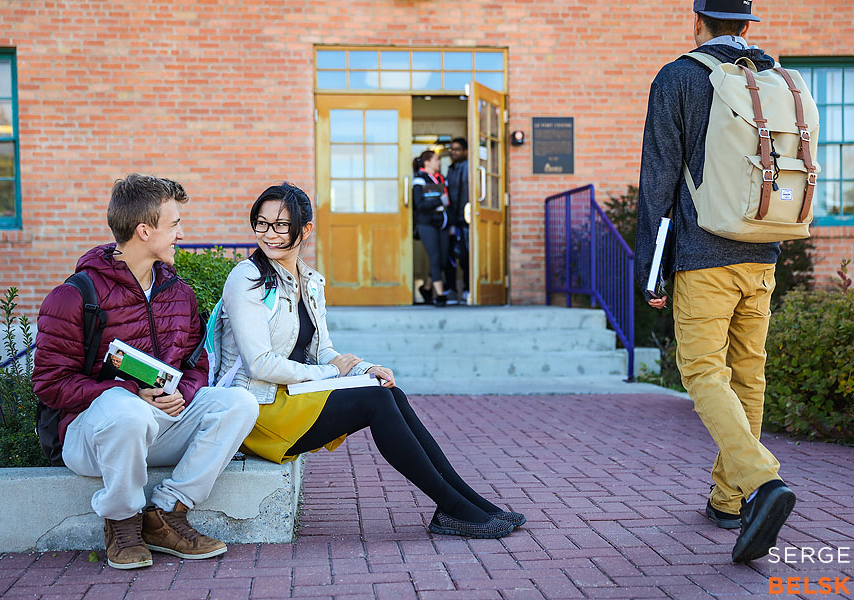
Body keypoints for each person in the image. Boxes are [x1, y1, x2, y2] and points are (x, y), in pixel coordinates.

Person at [218, 182, 524, 538]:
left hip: (291, 398)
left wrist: (365, 368)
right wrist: (329, 373)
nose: (268, 234)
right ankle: (455, 509)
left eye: (281, 225)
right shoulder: (248, 278)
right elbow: (260, 365)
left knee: (388, 390)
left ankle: (469, 503)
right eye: (262, 223)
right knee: (375, 401)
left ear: (305, 229)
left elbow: (324, 349)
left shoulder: (311, 282)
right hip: (258, 410)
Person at [635, 0, 796, 563]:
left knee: (703, 372)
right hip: (765, 250)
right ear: (746, 24)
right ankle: (728, 501)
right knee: (748, 376)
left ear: (696, 19)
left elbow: (657, 181)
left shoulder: (679, 77)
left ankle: (761, 480)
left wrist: (650, 271)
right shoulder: (771, 77)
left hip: (705, 255)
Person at [33, 174, 259, 570]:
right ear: (144, 230)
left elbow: (195, 365)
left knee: (239, 403)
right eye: (173, 225)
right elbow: (50, 385)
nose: (181, 234)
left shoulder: (179, 293)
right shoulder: (74, 297)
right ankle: (121, 522)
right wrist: (126, 390)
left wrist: (181, 394)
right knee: (126, 409)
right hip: (93, 436)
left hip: (157, 425)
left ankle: (167, 513)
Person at [412, 150, 451, 306]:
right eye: (436, 159)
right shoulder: (419, 179)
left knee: (442, 260)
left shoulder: (439, 178)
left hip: (442, 223)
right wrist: (439, 201)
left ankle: (427, 288)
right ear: (427, 162)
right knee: (434, 258)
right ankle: (440, 296)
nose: (439, 162)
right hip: (426, 224)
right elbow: (419, 204)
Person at [444, 138, 470, 304]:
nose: (453, 152)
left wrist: (461, 219)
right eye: (452, 149)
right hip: (450, 220)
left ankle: (468, 289)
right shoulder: (450, 169)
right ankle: (451, 290)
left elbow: (464, 195)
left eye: (457, 149)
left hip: (464, 219)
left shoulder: (467, 168)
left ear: (465, 151)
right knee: (449, 256)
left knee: (466, 257)